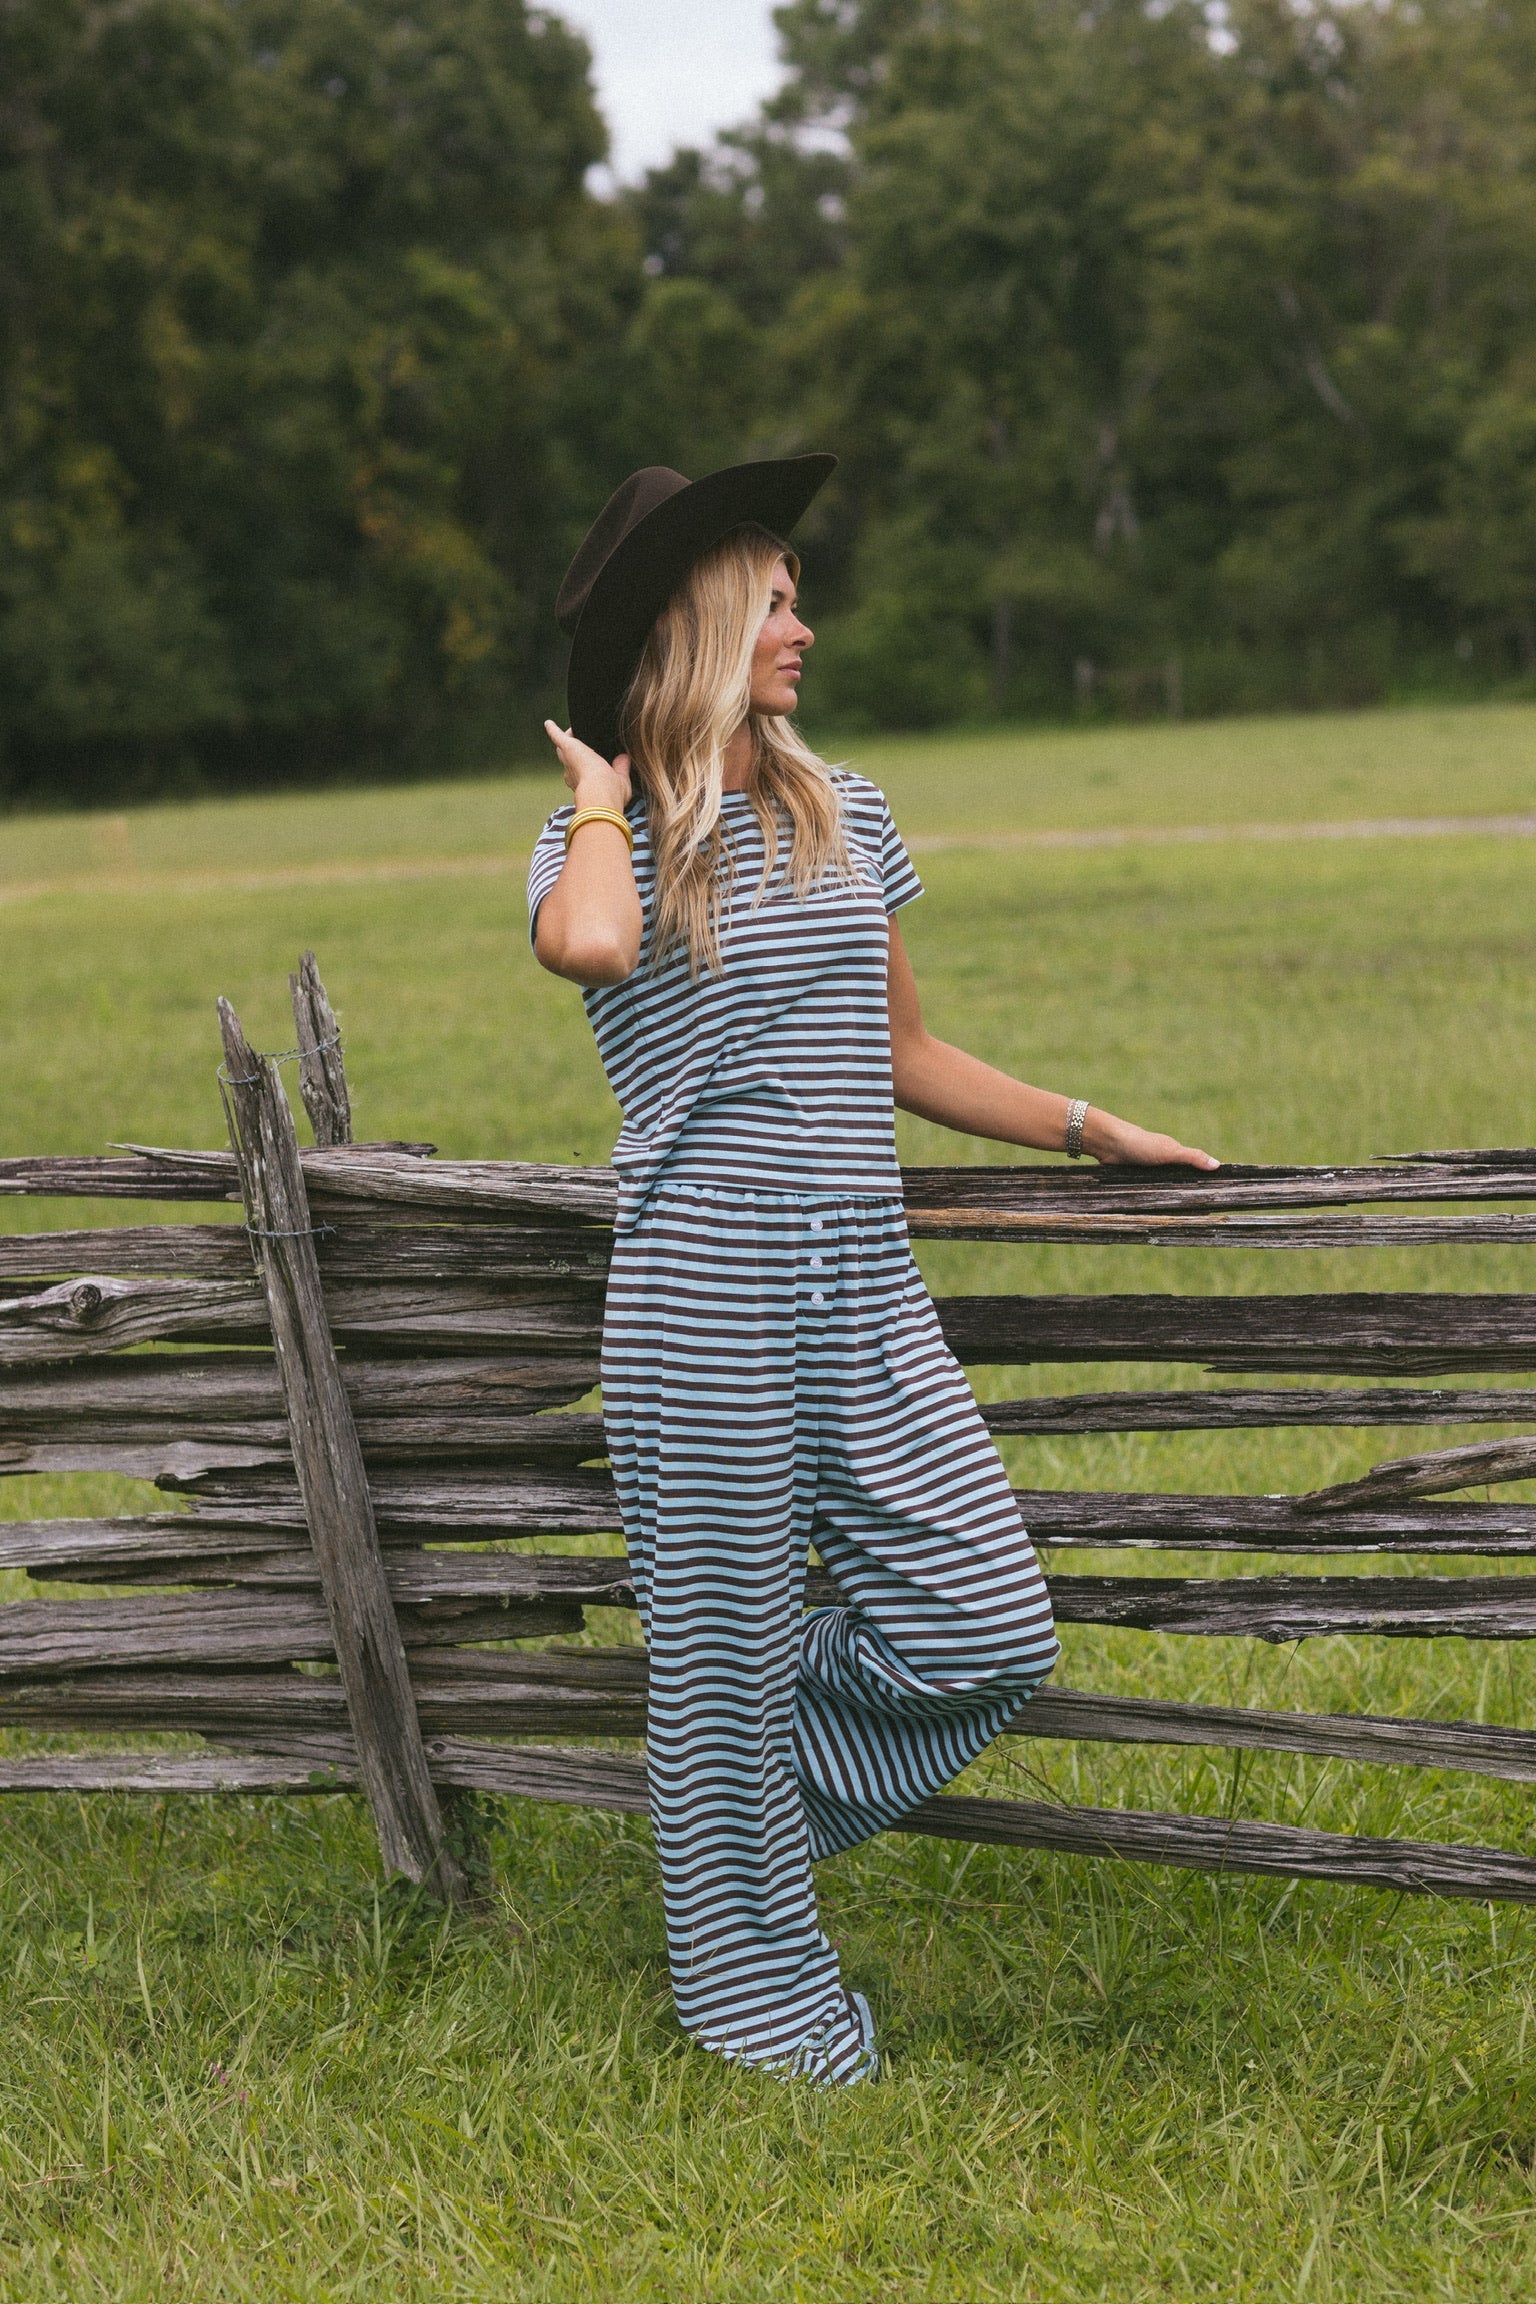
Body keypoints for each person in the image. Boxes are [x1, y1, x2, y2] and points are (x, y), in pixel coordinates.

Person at [528, 456, 1217, 2085]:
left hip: (863, 1281)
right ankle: (757, 2000)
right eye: (775, 601)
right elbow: (593, 950)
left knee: (984, 1625)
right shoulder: (601, 840)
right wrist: (612, 797)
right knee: (717, 1656)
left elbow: (900, 1044)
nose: (804, 628)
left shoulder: (854, 810)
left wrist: (1083, 1123)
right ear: (703, 624)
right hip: (704, 1295)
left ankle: (725, 1837)